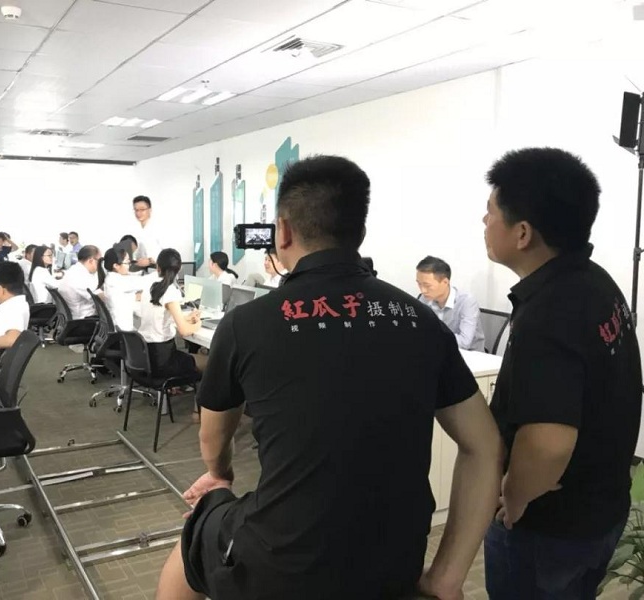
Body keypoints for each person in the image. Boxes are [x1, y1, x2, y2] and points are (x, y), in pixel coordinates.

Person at [156, 155, 503, 600]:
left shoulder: (246, 324)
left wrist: (219, 476)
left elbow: (212, 437)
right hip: (393, 561)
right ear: (359, 232)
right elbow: (485, 446)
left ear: (283, 232)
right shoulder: (420, 321)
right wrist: (448, 576)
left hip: (283, 563)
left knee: (195, 535)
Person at [481, 148, 643, 599]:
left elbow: (548, 443)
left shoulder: (549, 312)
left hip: (550, 529)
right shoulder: (594, 281)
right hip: (600, 508)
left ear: (523, 233)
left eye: (491, 211)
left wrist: (515, 498)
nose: (484, 220)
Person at [138, 248, 206, 378]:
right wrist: (198, 324)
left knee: (195, 358)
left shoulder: (149, 288)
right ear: (179, 269)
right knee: (210, 361)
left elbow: (160, 317)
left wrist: (186, 318)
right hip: (164, 361)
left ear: (157, 267)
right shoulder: (170, 291)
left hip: (147, 357)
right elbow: (184, 331)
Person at [416, 256, 485, 352]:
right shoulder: (424, 299)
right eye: (419, 284)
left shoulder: (467, 301)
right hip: (438, 351)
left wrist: (431, 337)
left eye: (427, 285)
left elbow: (464, 342)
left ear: (445, 282)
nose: (423, 290)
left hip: (469, 354)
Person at [102, 244, 146, 332]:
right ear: (116, 265)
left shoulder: (112, 278)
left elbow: (133, 280)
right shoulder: (117, 281)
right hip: (123, 331)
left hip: (119, 329)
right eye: (127, 263)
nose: (128, 266)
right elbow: (143, 282)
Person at [58, 245, 102, 319]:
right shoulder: (81, 275)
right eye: (100, 261)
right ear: (91, 261)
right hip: (85, 319)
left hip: (74, 317)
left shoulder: (74, 270)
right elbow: (99, 297)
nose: (100, 265)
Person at [132, 196, 163, 268]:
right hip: (140, 269)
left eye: (142, 210)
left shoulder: (159, 228)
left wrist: (150, 261)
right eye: (136, 210)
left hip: (158, 269)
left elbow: (170, 254)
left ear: (150, 210)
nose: (138, 213)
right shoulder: (135, 230)